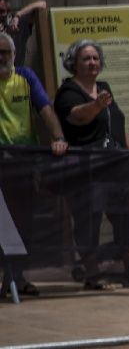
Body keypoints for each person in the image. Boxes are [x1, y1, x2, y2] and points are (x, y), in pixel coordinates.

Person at [55, 39, 129, 288]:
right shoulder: (68, 92)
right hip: (87, 170)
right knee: (89, 220)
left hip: (118, 166)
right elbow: (77, 118)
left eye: (95, 58)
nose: (92, 62)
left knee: (127, 217)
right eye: (86, 58)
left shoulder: (104, 87)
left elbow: (116, 124)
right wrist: (96, 105)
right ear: (73, 63)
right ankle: (93, 274)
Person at [0, 30, 67, 296]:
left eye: (5, 52)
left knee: (22, 222)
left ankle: (17, 276)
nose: (1, 57)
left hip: (22, 164)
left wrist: (59, 137)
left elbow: (45, 108)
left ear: (14, 55)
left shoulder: (25, 77)